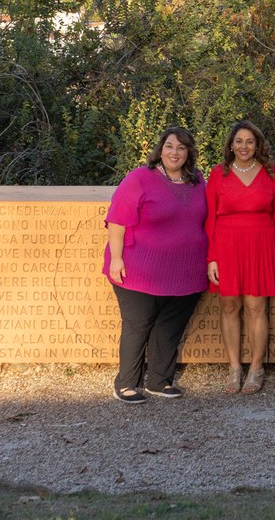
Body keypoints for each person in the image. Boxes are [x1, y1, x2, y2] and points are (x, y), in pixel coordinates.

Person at [104, 126, 208, 404]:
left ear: (189, 152)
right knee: (138, 325)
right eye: (169, 146)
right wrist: (116, 258)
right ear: (160, 150)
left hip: (186, 272)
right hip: (139, 270)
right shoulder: (139, 178)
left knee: (170, 326)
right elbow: (117, 220)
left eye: (181, 148)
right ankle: (127, 383)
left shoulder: (198, 181)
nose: (175, 153)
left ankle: (159, 381)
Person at [206, 119, 275, 395]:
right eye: (239, 141)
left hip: (261, 245)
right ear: (231, 145)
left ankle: (256, 368)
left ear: (257, 145)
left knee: (256, 307)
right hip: (226, 246)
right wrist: (212, 257)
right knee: (229, 306)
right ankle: (234, 368)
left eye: (250, 141)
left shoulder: (272, 173)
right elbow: (209, 218)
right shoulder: (219, 173)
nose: (244, 146)